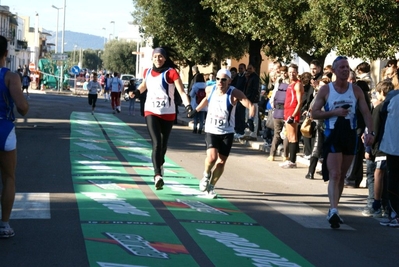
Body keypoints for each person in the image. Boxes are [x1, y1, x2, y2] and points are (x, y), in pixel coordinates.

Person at [311, 56, 374, 229]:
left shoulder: (356, 90)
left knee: (342, 175)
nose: (345, 70)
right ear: (334, 70)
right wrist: (334, 112)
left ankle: (335, 208)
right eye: (342, 68)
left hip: (350, 134)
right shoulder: (326, 90)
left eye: (347, 67)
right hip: (333, 133)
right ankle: (333, 210)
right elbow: (314, 113)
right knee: (335, 174)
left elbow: (367, 113)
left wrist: (371, 132)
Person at [187, 69, 255, 198]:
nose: (220, 82)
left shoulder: (234, 93)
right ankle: (206, 175)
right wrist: (195, 110)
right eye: (218, 79)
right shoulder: (210, 89)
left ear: (229, 81)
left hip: (227, 132)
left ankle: (211, 187)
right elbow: (206, 100)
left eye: (224, 79)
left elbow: (250, 104)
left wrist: (251, 119)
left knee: (221, 162)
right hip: (211, 129)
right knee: (212, 158)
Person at [131, 47, 191, 190]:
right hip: (151, 111)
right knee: (156, 143)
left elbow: (181, 92)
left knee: (163, 145)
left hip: (168, 113)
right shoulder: (147, 72)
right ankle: (157, 175)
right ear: (152, 58)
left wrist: (188, 106)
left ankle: (160, 163)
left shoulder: (171, 73)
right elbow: (144, 85)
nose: (158, 59)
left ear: (165, 58)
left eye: (160, 57)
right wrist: (136, 92)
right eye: (155, 57)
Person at [0, 35, 29, 238]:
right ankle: (4, 225)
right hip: (4, 129)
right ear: (6, 53)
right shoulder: (10, 77)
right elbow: (22, 107)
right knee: (8, 177)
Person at [378, 82, 399, 227]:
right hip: (393, 146)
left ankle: (395, 214)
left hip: (394, 147)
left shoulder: (393, 97)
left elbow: (381, 115)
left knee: (393, 181)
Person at [279, 64, 304, 168]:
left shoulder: (297, 84)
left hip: (293, 112)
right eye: (289, 72)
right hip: (287, 111)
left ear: (297, 72)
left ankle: (292, 161)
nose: (291, 74)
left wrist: (293, 115)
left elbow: (299, 102)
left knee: (293, 137)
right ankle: (289, 159)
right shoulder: (290, 84)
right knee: (289, 136)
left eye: (293, 72)